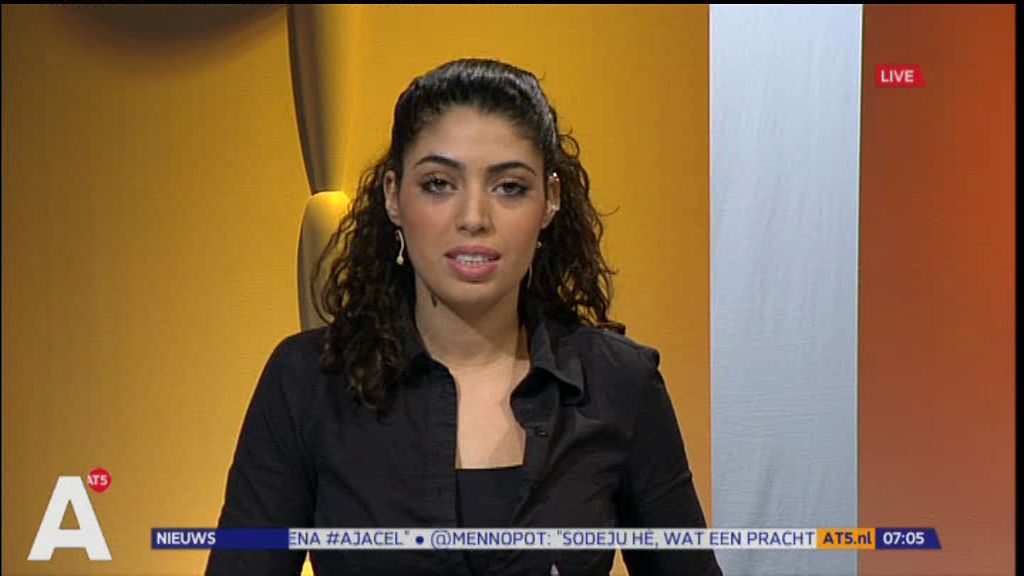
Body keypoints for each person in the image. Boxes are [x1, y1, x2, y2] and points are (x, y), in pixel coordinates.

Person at [207, 58, 721, 576]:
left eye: (510, 187)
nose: (473, 218)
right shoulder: (306, 382)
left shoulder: (620, 383)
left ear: (550, 201)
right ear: (393, 196)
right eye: (439, 183)